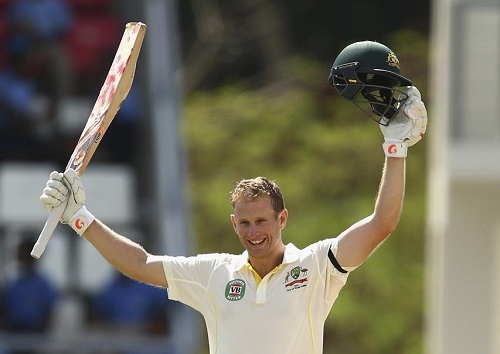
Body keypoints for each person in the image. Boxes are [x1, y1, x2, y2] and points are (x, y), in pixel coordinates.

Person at [37, 41, 427, 354]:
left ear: (282, 219)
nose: (253, 232)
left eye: (261, 221)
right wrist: (78, 216)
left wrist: (395, 149)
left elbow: (382, 224)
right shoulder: (214, 274)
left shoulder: (317, 267)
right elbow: (140, 263)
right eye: (245, 222)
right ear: (233, 224)